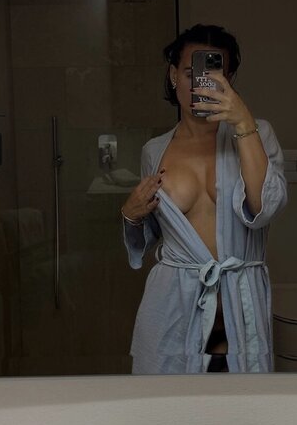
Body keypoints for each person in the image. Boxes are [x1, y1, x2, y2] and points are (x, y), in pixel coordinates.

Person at [120, 23, 287, 374]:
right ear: (173, 76)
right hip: (172, 305)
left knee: (238, 400)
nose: (200, 82)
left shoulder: (257, 134)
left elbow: (264, 208)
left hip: (237, 304)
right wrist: (131, 215)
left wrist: (243, 122)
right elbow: (153, 234)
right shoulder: (154, 151)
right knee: (171, 402)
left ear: (229, 79)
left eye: (214, 73)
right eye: (190, 72)